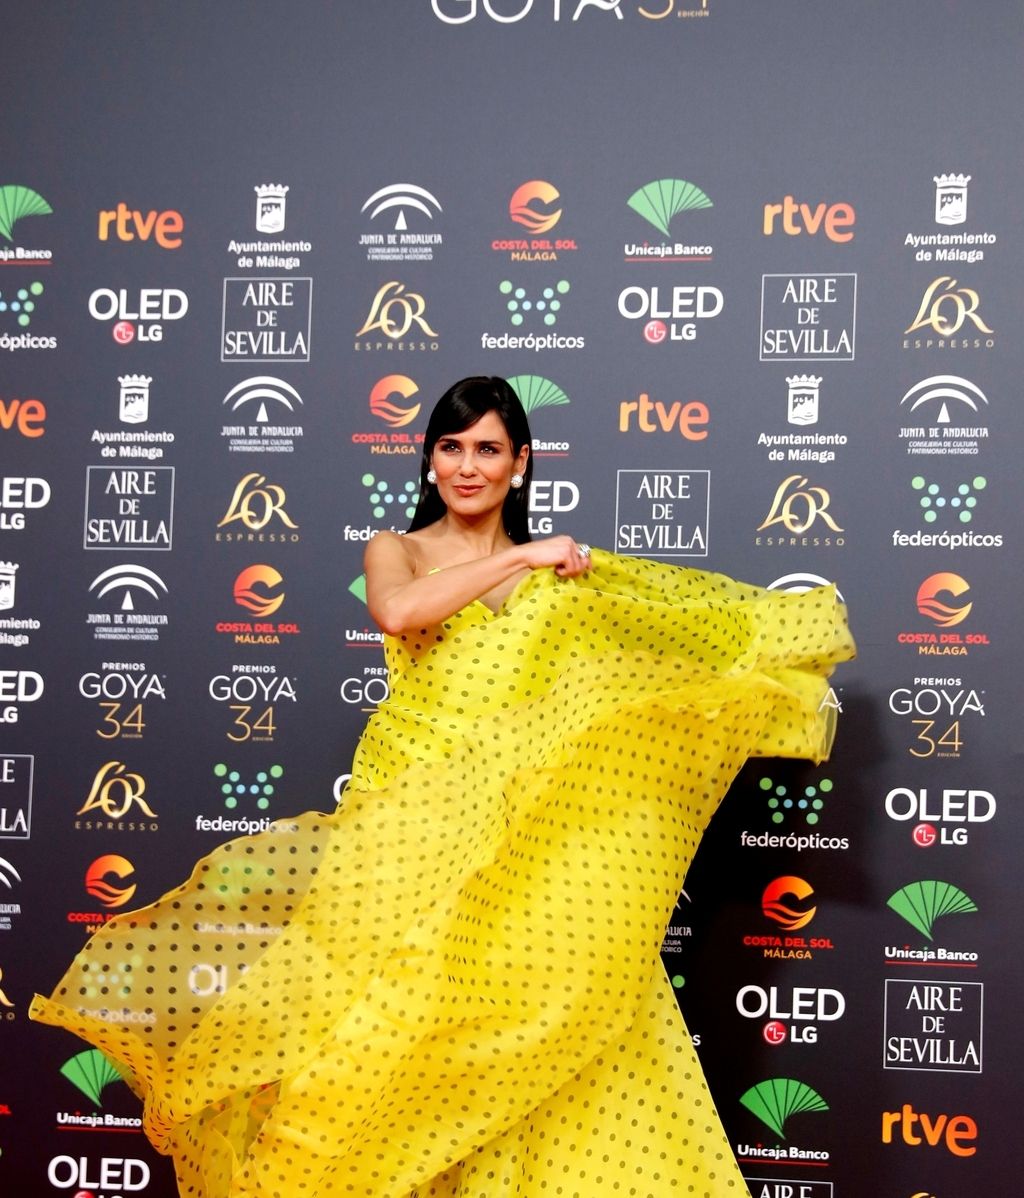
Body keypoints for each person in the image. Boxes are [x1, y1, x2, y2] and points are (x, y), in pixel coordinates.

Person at [32, 376, 854, 1197]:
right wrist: (527, 556)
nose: (468, 466)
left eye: (488, 449)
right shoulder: (401, 548)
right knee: (379, 1024)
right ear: (429, 461)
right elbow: (398, 612)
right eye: (452, 448)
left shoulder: (567, 585)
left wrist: (773, 660)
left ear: (520, 464)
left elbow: (654, 638)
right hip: (408, 819)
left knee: (536, 1014)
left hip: (523, 832)